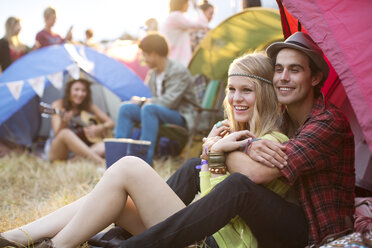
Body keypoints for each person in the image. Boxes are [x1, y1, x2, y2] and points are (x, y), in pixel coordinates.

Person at [0, 52, 285, 248]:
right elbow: (212, 194)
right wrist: (213, 155)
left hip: (215, 242)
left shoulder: (271, 141)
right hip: (202, 231)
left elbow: (225, 203)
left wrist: (214, 153)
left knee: (129, 167)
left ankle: (57, 245)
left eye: (246, 90)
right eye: (232, 89)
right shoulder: (233, 133)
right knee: (115, 198)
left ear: (266, 94)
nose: (236, 98)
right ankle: (16, 236)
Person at [115, 32, 355, 248]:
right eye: (278, 69)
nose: (283, 77)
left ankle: (138, 245)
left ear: (315, 78)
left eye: (294, 70)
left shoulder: (327, 123)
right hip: (274, 215)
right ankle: (121, 236)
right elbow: (237, 146)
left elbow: (257, 174)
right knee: (193, 167)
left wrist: (219, 149)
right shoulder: (284, 116)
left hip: (310, 231)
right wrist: (228, 142)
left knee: (239, 186)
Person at [114, 33, 197, 165]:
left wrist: (142, 102)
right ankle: (117, 159)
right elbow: (150, 99)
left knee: (149, 109)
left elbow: (170, 101)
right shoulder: (153, 74)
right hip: (156, 113)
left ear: (153, 54)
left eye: (145, 54)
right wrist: (139, 101)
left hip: (180, 116)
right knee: (126, 108)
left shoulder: (178, 71)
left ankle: (143, 161)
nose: (143, 59)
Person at [43, 78, 114, 165]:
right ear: (69, 91)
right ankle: (102, 163)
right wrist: (64, 122)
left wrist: (99, 128)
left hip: (76, 151)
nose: (80, 94)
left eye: (83, 90)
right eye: (76, 89)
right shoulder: (58, 105)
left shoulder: (88, 105)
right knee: (65, 133)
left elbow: (111, 123)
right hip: (58, 150)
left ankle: (71, 163)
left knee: (103, 146)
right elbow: (58, 135)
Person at [159, 0, 209, 66]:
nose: (188, 5)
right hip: (180, 62)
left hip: (174, 61)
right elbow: (202, 24)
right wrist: (196, 7)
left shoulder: (170, 18)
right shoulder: (176, 16)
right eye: (187, 3)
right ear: (182, 4)